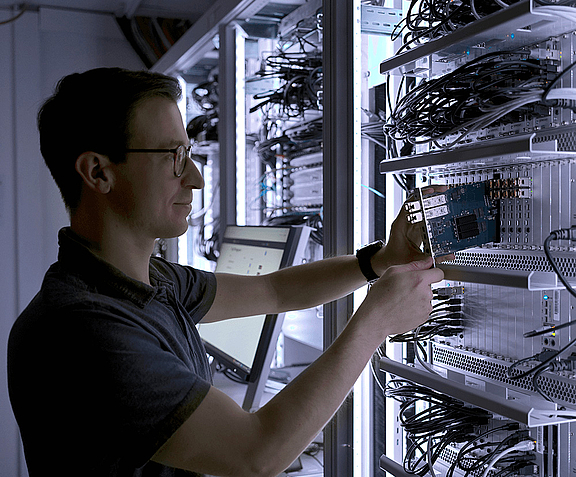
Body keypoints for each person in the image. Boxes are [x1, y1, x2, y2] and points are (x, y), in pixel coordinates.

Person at [7, 68, 444, 477]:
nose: (195, 178)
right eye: (173, 157)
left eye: (190, 155)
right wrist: (373, 324)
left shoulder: (151, 281)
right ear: (98, 172)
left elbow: (273, 290)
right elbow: (255, 453)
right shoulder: (80, 327)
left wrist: (380, 261)